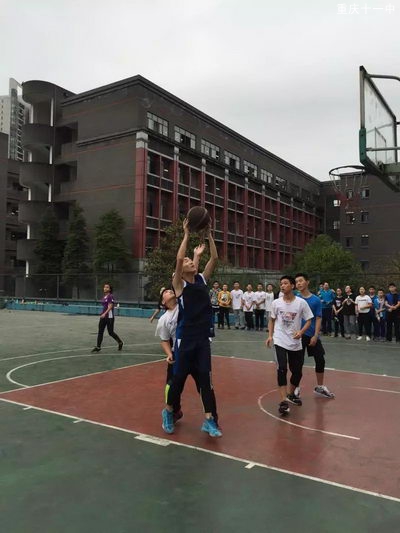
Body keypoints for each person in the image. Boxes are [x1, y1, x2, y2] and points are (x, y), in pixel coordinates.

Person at [161, 220, 221, 437]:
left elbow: (214, 258)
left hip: (203, 339)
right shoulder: (179, 285)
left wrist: (210, 235)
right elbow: (179, 259)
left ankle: (210, 420)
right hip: (185, 339)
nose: (189, 262)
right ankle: (169, 411)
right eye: (187, 261)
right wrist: (186, 234)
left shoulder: (201, 280)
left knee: (206, 380)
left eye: (190, 260)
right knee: (177, 380)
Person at [156, 286, 218, 425]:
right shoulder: (164, 319)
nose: (169, 291)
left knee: (206, 386)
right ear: (163, 302)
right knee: (173, 387)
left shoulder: (185, 306)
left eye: (170, 290)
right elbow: (164, 340)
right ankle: (173, 412)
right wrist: (169, 354)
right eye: (165, 292)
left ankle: (213, 419)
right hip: (178, 355)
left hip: (196, 352)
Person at [266, 275, 313, 415]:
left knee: (297, 372)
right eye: (281, 284)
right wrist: (270, 336)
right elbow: (272, 320)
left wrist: (301, 332)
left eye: (285, 283)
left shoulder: (301, 303)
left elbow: (309, 320)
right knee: (282, 368)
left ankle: (291, 394)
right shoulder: (276, 303)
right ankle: (283, 401)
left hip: (295, 341)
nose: (282, 286)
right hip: (279, 339)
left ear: (292, 286)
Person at [295, 273, 335, 399]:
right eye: (296, 282)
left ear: (307, 282)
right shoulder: (295, 298)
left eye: (301, 281)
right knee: (298, 362)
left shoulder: (316, 300)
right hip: (299, 335)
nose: (298, 283)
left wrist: (316, 335)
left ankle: (320, 387)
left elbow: (318, 318)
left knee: (320, 359)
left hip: (312, 334)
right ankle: (295, 387)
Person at [91, 283, 123, 353]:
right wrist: (103, 314)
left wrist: (104, 313)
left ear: (110, 289)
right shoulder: (104, 297)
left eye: (107, 287)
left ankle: (120, 342)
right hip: (103, 317)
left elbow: (110, 306)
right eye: (104, 287)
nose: (105, 288)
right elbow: (106, 306)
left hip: (109, 317)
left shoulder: (110, 296)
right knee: (100, 331)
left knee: (110, 332)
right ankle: (98, 347)